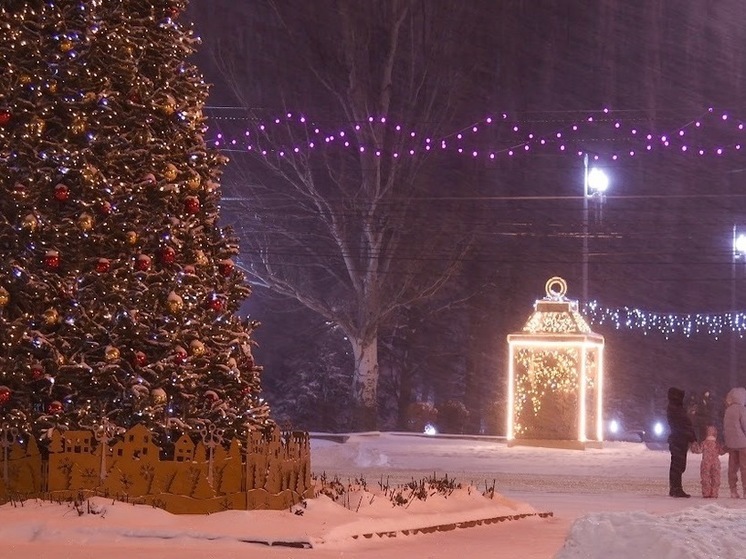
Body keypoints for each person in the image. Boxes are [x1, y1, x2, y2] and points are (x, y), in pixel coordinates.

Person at [666, 386, 696, 498]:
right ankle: (676, 488)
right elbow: (685, 424)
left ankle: (675, 488)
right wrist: (692, 437)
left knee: (677, 465)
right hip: (679, 440)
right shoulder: (677, 409)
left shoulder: (675, 408)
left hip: (678, 439)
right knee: (678, 465)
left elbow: (684, 424)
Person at [690, 425, 728, 498]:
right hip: (715, 462)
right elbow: (721, 452)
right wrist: (726, 448)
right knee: (715, 478)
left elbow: (698, 450)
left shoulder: (704, 443)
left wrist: (694, 446)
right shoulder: (717, 444)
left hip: (706, 462)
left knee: (705, 477)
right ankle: (714, 492)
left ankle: (706, 492)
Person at [722, 387, 746, 498]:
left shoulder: (728, 410)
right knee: (744, 467)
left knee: (732, 467)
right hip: (743, 443)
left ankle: (733, 490)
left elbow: (726, 427)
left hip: (731, 443)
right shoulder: (742, 409)